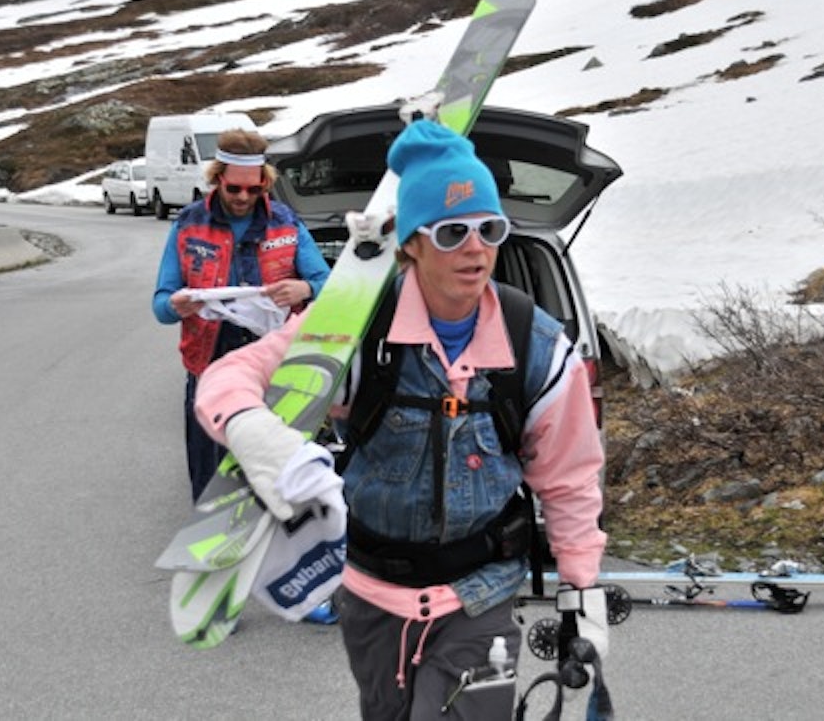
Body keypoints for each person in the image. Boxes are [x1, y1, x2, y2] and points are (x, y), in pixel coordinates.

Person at [192, 120, 609, 719]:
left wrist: (581, 591)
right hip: (372, 599)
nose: (476, 248)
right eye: (452, 232)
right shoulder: (353, 333)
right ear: (410, 241)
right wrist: (257, 437)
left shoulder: (540, 349)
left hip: (480, 599)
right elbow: (229, 378)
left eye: (490, 230)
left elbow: (569, 479)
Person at [152, 127, 331, 504]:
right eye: (235, 189)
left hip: (275, 364)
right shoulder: (187, 225)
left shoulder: (286, 222)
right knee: (210, 474)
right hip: (208, 363)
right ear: (218, 179)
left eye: (255, 189)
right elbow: (161, 306)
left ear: (265, 182)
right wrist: (176, 305)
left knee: (275, 470)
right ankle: (213, 548)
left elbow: (327, 283)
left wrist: (305, 289)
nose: (244, 197)